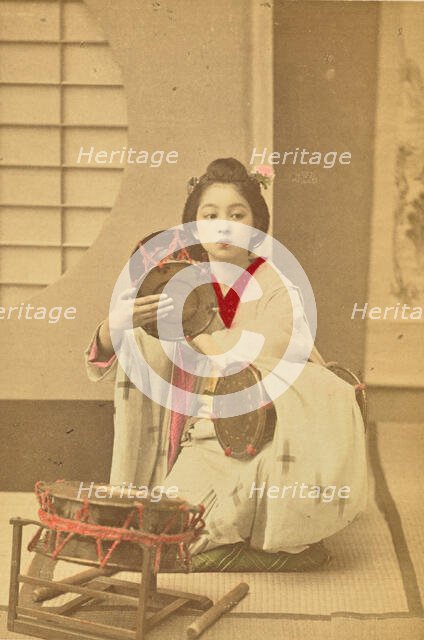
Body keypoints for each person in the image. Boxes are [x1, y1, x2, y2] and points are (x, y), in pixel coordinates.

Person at [85, 158, 367, 570]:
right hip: (180, 426)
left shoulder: (276, 285)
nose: (224, 226)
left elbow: (261, 357)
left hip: (255, 431)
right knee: (156, 535)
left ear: (256, 223)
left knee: (181, 541)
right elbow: (128, 346)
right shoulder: (176, 275)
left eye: (238, 216)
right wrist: (116, 326)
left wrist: (193, 331)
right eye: (210, 215)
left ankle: (266, 551)